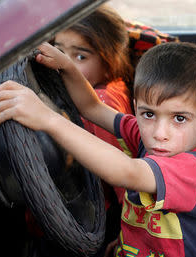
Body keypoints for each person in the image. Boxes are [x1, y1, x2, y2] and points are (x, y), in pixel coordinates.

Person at [0, 41, 196, 257]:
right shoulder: (153, 140)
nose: (159, 133)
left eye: (180, 119)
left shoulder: (194, 171)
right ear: (137, 108)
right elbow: (92, 107)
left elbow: (126, 171)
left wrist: (48, 119)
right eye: (149, 114)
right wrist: (67, 67)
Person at [53, 4, 134, 203]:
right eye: (58, 51)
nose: (63, 64)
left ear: (109, 64)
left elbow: (126, 185)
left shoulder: (103, 104)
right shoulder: (114, 85)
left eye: (80, 56)